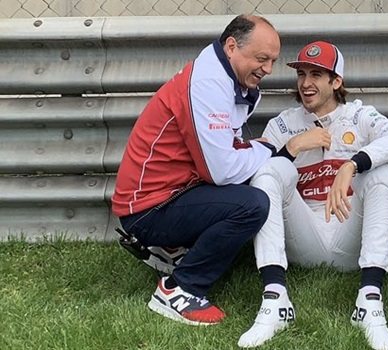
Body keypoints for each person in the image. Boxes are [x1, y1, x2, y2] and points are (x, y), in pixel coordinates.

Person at [237, 41, 388, 350]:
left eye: (317, 75)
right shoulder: (283, 123)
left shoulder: (359, 116)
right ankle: (275, 299)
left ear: (336, 82)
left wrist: (352, 164)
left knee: (381, 172)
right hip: (302, 238)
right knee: (272, 170)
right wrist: (292, 148)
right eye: (302, 74)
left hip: (349, 238)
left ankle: (369, 302)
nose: (306, 83)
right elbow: (252, 175)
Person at [111, 15, 281, 326]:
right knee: (252, 205)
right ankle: (180, 288)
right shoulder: (208, 84)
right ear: (232, 47)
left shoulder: (223, 75)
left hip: (166, 194)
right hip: (149, 209)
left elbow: (227, 148)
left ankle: (172, 250)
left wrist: (255, 150)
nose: (268, 69)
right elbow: (222, 171)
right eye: (262, 58)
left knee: (248, 182)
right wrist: (270, 148)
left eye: (273, 60)